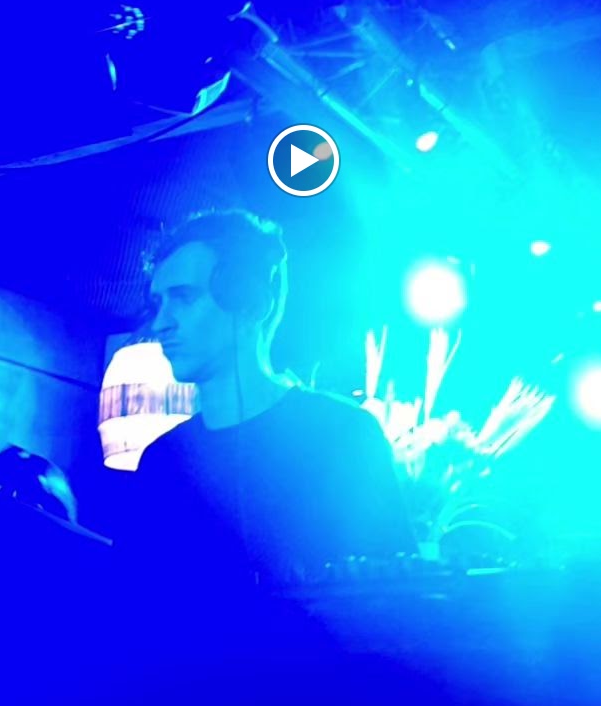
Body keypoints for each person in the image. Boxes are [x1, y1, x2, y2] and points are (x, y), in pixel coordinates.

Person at [132, 208, 411, 593]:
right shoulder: (160, 461)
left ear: (249, 303)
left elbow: (396, 597)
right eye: (157, 304)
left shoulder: (346, 435)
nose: (161, 323)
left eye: (184, 297)